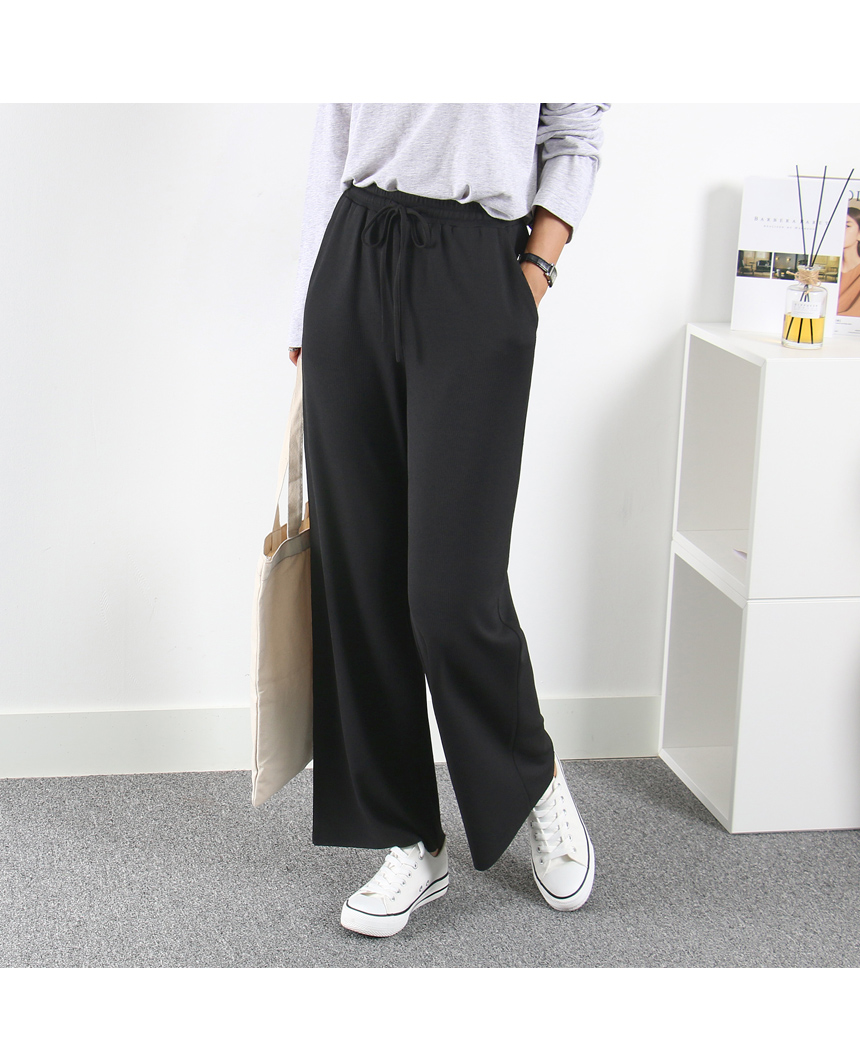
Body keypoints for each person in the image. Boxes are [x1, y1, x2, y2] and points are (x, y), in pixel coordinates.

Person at [286, 103, 609, 938]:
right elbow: (334, 133)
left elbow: (575, 134)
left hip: (478, 266)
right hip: (353, 257)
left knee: (452, 590)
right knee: (362, 575)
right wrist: (306, 306)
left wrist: (535, 270)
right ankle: (406, 838)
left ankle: (531, 776)